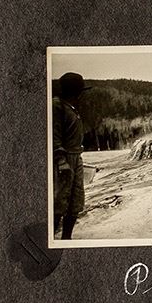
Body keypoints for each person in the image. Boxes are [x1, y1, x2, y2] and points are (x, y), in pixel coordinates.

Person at [52, 72, 89, 239]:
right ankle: (50, 238)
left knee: (76, 201)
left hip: (75, 157)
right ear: (75, 92)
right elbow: (53, 135)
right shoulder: (57, 106)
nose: (81, 95)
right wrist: (60, 160)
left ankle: (67, 239)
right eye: (80, 91)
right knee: (59, 201)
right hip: (63, 159)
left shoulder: (71, 107)